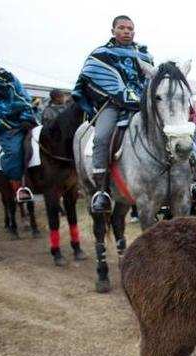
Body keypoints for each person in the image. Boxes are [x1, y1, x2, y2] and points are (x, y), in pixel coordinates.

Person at [72, 15, 153, 214]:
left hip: (143, 105)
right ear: (113, 31)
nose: (127, 31)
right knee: (101, 137)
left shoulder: (144, 54)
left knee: (171, 130)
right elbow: (93, 77)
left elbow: (153, 79)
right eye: (122, 28)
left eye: (130, 29)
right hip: (112, 105)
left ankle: (188, 180)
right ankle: (102, 190)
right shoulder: (100, 55)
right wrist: (120, 95)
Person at [0, 62, 38, 184]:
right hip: (3, 128)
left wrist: (26, 118)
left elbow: (24, 98)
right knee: (14, 151)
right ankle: (17, 185)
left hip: (24, 122)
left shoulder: (8, 77)